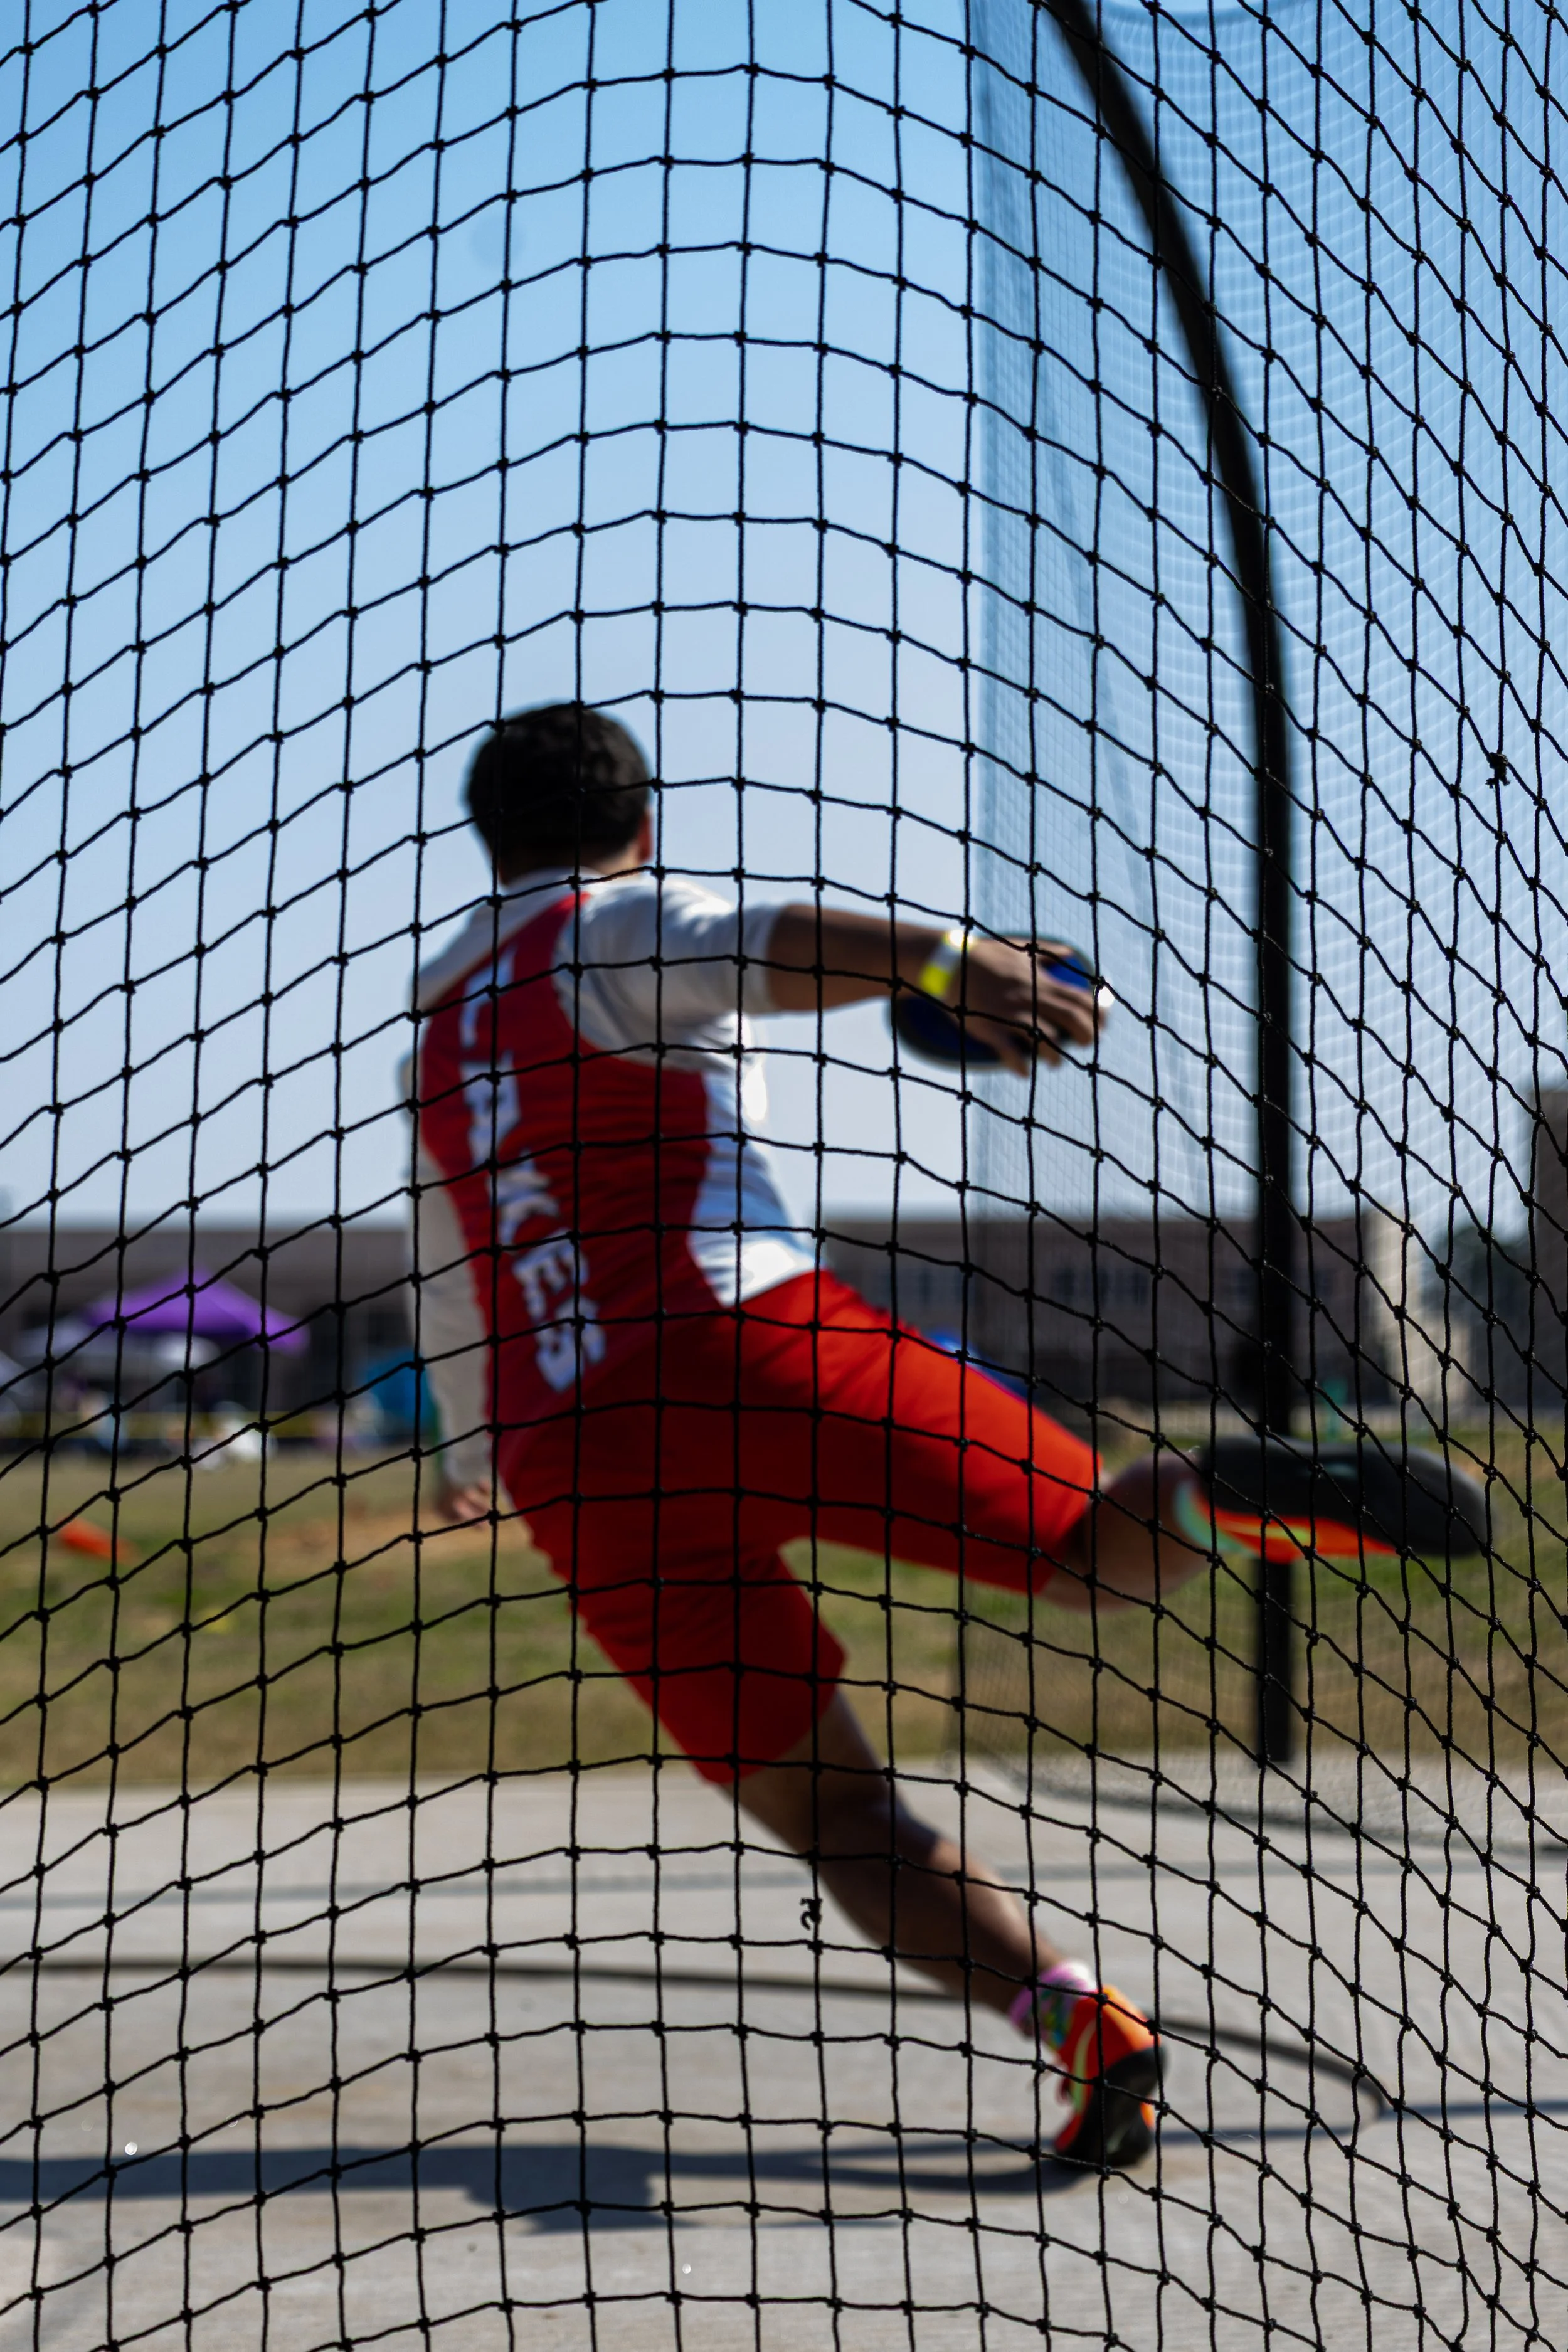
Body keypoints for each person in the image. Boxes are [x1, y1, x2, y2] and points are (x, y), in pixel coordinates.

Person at [407, 702, 1480, 2171]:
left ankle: (1084, 2022)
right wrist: (939, 960)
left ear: (487, 840)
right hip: (742, 1343)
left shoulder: (437, 1005)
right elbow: (746, 943)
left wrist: (470, 1450)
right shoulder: (606, 927)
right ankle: (1223, 1497)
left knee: (831, 1811)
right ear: (638, 828)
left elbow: (444, 1257)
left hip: (568, 1457)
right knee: (1087, 1551)